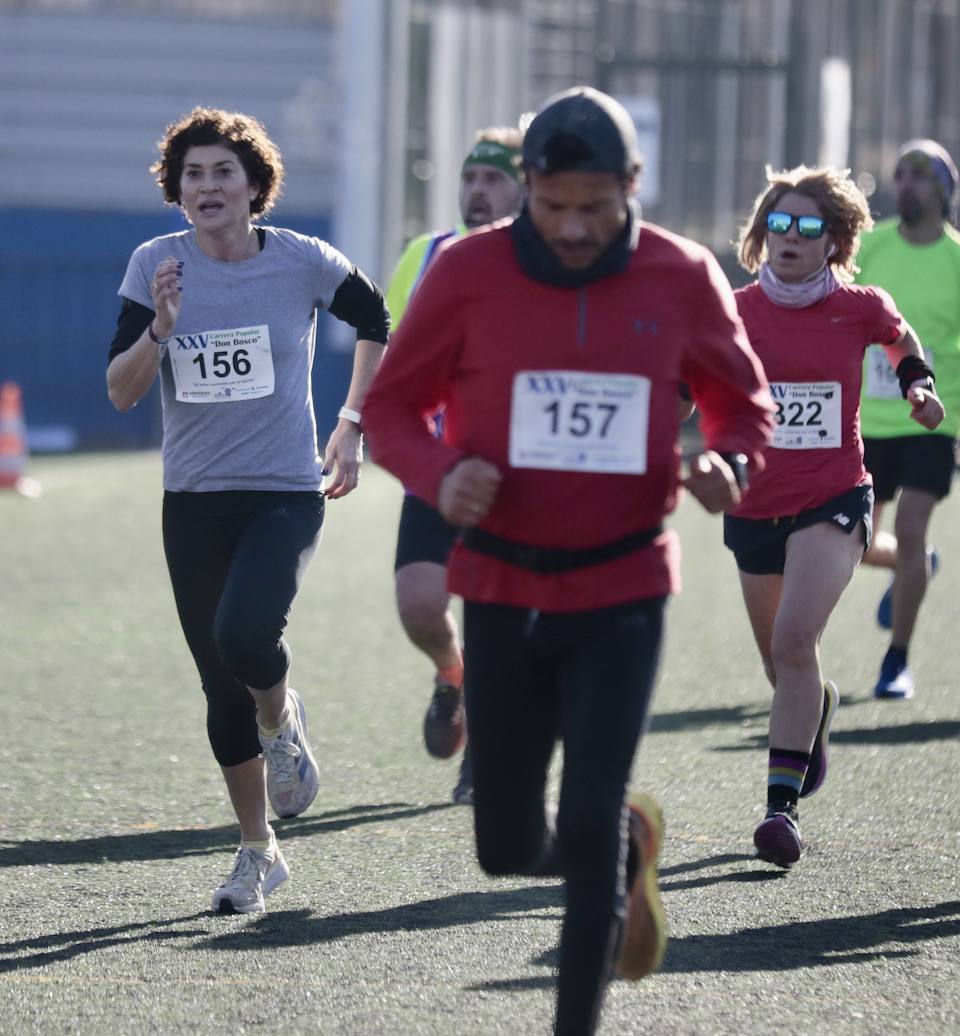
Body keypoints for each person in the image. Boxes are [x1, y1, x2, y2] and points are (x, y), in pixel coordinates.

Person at [363, 87, 773, 1035]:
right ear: (527, 191)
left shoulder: (681, 275)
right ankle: (627, 851)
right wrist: (438, 471)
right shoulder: (465, 273)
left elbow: (742, 407)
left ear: (633, 185)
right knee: (506, 846)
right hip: (501, 584)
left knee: (583, 820)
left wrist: (729, 465)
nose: (576, 228)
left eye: (597, 206)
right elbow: (391, 408)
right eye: (554, 208)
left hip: (624, 585)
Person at [105, 107, 390, 914]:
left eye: (223, 171)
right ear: (177, 189)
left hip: (282, 491)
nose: (207, 186)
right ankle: (257, 851)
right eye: (192, 174)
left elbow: (377, 320)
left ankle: (282, 717)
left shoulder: (301, 261)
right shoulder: (154, 264)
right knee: (218, 688)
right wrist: (160, 328)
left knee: (245, 635)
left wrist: (351, 424)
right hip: (192, 502)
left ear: (254, 186)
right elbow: (121, 393)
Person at [727, 165, 944, 868]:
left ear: (835, 241)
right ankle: (814, 714)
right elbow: (692, 382)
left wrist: (919, 390)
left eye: (808, 227)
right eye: (779, 225)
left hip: (834, 495)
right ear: (763, 236)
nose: (790, 238)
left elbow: (903, 342)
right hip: (753, 503)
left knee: (795, 640)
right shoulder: (732, 311)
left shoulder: (860, 305)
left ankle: (779, 813)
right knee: (782, 664)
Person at [383, 127, 525, 805]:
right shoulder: (425, 255)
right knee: (419, 606)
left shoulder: (546, 260)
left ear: (529, 188)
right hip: (439, 469)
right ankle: (451, 673)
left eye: (494, 178)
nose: (477, 190)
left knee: (495, 616)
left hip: (520, 475)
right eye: (471, 177)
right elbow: (389, 356)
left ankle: (487, 761)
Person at [854, 139, 960, 699]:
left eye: (921, 175)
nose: (908, 184)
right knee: (855, 538)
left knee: (912, 527)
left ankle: (896, 660)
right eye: (901, 174)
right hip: (864, 418)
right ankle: (917, 565)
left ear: (944, 190)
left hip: (934, 419)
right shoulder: (867, 248)